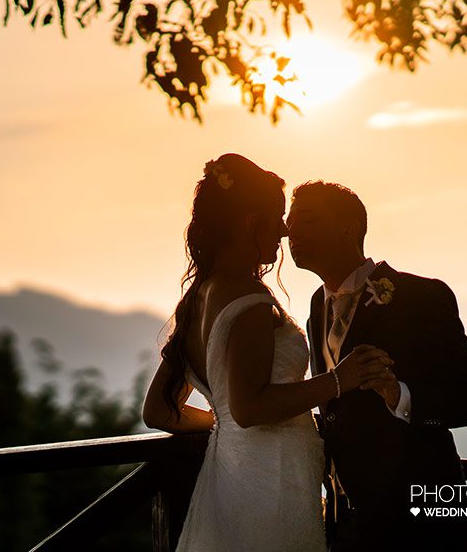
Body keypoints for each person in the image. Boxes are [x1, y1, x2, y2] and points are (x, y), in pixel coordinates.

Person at [143, 154, 394, 552]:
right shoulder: (250, 301)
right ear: (250, 223)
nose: (284, 230)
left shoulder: (196, 299)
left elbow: (158, 411)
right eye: (277, 218)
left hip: (229, 479)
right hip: (271, 485)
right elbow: (250, 408)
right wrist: (337, 380)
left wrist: (222, 423)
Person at [287, 181, 467, 551]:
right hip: (347, 527)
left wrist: (399, 395)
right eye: (290, 223)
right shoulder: (316, 307)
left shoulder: (420, 298)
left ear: (348, 228)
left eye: (306, 221)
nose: (292, 232)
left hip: (420, 527)